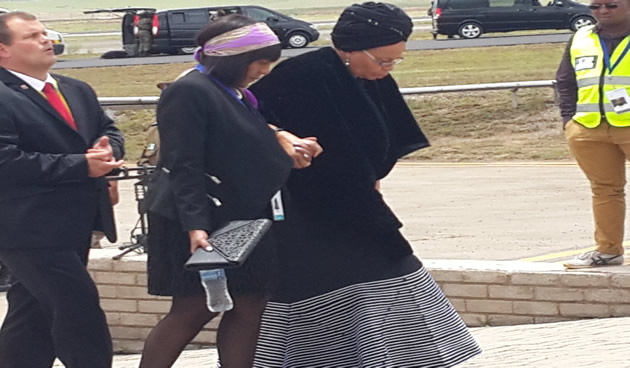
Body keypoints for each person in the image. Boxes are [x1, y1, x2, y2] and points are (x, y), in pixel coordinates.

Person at [250, 2, 481, 367]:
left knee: (390, 275)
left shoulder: (368, 76)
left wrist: (371, 175)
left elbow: (383, 135)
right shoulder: (298, 76)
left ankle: (399, 357)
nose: (388, 69)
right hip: (308, 211)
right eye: (383, 61)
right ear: (352, 48)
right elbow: (252, 123)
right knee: (330, 286)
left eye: (395, 62)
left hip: (356, 199)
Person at [139, 15, 319, 368]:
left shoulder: (231, 91)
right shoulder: (188, 90)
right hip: (198, 217)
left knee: (250, 303)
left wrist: (280, 138)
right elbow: (183, 161)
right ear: (232, 58)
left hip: (243, 214)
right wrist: (196, 225)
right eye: (261, 62)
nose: (265, 70)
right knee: (193, 308)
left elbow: (234, 134)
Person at [0, 11, 124, 368]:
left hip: (75, 221)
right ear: (3, 50)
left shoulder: (74, 89)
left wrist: (108, 150)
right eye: (32, 36)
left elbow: (108, 131)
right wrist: (80, 166)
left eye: (45, 32)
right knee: (78, 311)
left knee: (32, 315)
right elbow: (5, 161)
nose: (45, 40)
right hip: (26, 226)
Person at [557, 0, 630, 269]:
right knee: (605, 190)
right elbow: (566, 80)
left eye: (611, 5)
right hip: (589, 127)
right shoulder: (581, 37)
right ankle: (608, 250)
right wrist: (569, 120)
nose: (602, 11)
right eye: (595, 6)